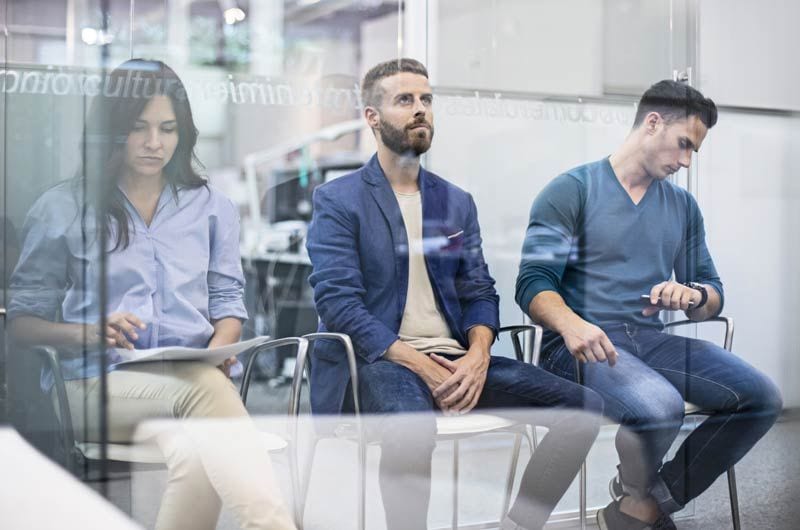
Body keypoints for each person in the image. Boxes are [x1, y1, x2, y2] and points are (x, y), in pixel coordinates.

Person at [305, 58, 603, 530]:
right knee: (410, 429)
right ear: (372, 117)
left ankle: (518, 524)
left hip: (456, 359)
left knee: (584, 410)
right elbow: (339, 304)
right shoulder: (339, 200)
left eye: (426, 99)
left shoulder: (455, 201)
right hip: (379, 361)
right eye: (405, 100)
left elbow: (479, 289)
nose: (420, 109)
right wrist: (419, 363)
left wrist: (479, 355)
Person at [7, 59, 295, 530]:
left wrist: (220, 349)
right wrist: (88, 330)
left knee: (199, 452)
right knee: (206, 393)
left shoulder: (212, 207)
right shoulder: (62, 207)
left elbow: (227, 304)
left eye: (167, 128)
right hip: (92, 386)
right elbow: (22, 324)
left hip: (187, 384)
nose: (154, 143)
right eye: (138, 128)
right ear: (113, 130)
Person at [515, 80, 783, 530]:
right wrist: (572, 325)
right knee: (659, 406)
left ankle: (644, 504)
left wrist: (693, 296)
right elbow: (532, 284)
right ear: (652, 123)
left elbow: (712, 292)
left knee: (761, 397)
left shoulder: (682, 206)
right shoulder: (570, 190)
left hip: (651, 341)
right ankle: (640, 510)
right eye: (683, 145)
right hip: (580, 344)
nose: (685, 160)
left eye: (693, 151)